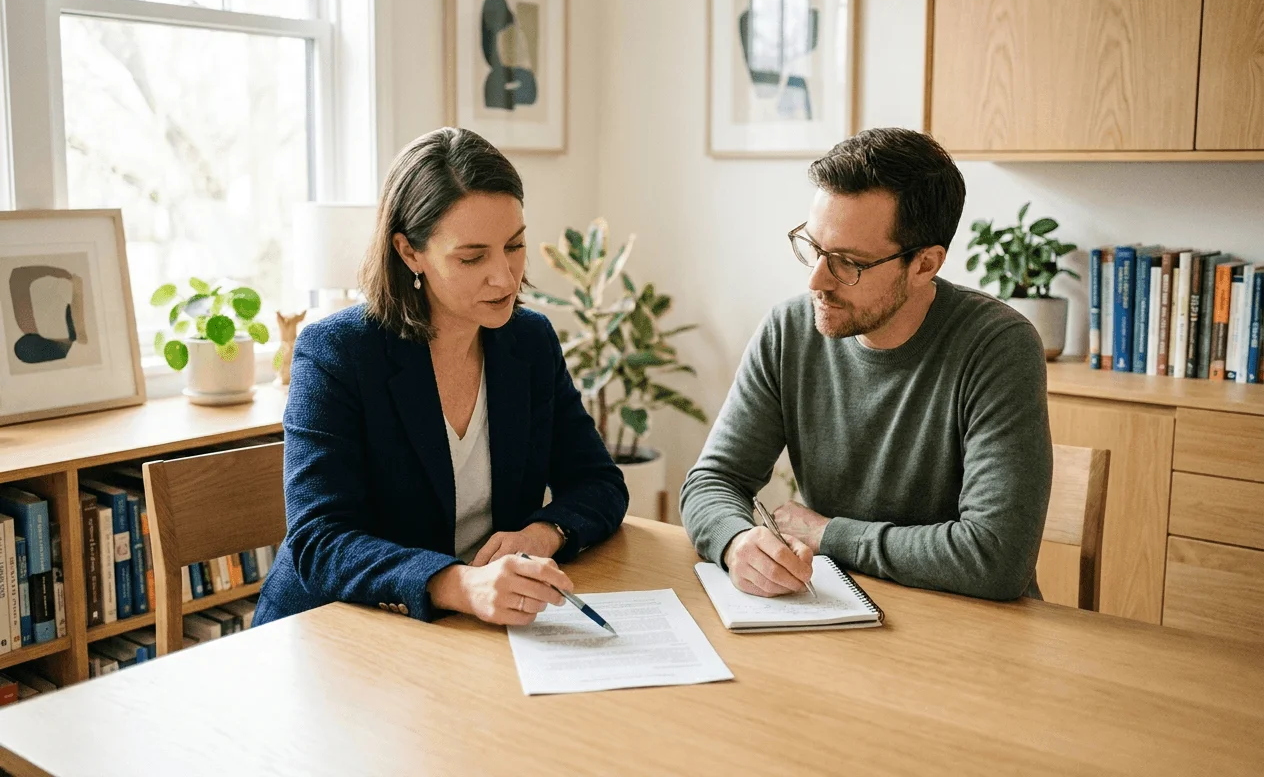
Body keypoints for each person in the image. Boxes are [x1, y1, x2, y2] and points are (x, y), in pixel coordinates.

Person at [255, 127, 629, 627]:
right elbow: (321, 540)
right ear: (409, 252)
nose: (505, 277)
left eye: (514, 245)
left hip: (469, 628)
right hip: (338, 627)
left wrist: (543, 534)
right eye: (472, 257)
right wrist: (458, 584)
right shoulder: (337, 353)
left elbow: (599, 481)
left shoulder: (530, 341)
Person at [680, 127, 1052, 602]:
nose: (817, 280)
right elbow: (713, 480)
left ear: (924, 264)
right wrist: (737, 543)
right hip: (834, 606)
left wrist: (827, 534)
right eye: (814, 248)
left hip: (969, 622)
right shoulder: (789, 331)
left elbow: (995, 558)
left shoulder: (997, 346)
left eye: (848, 263)